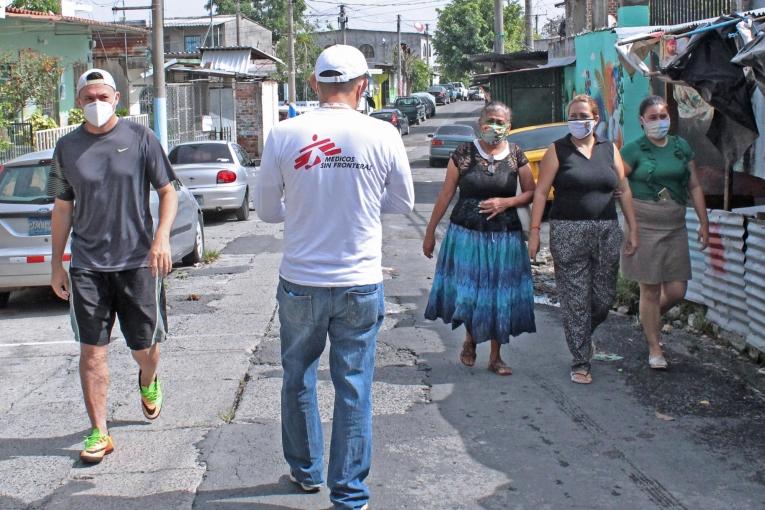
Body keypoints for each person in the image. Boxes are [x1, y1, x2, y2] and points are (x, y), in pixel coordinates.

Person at [253, 45, 414, 510]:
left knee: (298, 375)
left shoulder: (284, 133)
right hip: (360, 281)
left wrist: (302, 207)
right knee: (354, 384)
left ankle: (306, 471)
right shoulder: (382, 134)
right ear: (363, 86)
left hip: (301, 280)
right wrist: (360, 206)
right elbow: (401, 202)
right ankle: (349, 495)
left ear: (313, 85)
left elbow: (265, 211)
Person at [49, 69, 177, 463]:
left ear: (117, 98)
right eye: (87, 98)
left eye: (101, 96)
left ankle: (148, 379)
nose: (95, 104)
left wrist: (161, 239)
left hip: (137, 263)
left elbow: (168, 191)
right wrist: (57, 262)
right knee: (92, 352)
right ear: (78, 102)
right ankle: (99, 433)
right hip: (88, 265)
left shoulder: (140, 138)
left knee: (146, 348)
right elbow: (62, 206)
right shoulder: (67, 147)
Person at [528, 94, 639, 385]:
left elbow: (623, 189)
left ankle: (582, 335)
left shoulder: (609, 149)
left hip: (606, 230)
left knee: (603, 298)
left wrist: (633, 228)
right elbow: (541, 193)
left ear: (596, 118)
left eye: (583, 115)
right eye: (573, 115)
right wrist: (535, 231)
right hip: (567, 231)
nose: (578, 121)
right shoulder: (557, 150)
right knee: (576, 300)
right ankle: (580, 361)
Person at [423, 101, 536, 376]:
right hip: (466, 236)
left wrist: (505, 203)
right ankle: (471, 340)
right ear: (480, 122)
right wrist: (430, 232)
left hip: (505, 238)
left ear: (509, 127)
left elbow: (532, 192)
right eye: (490, 120)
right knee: (471, 292)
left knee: (500, 295)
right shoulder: (463, 154)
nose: (495, 126)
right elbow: (446, 194)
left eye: (500, 122)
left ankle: (496, 357)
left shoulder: (516, 155)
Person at [620, 95, 709, 369]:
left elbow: (693, 186)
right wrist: (631, 226)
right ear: (642, 121)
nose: (660, 121)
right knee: (650, 288)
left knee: (678, 289)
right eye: (654, 117)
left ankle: (648, 318)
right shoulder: (634, 150)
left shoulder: (681, 147)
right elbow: (619, 184)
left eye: (663, 116)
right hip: (644, 225)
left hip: (675, 226)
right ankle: (654, 347)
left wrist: (705, 223)